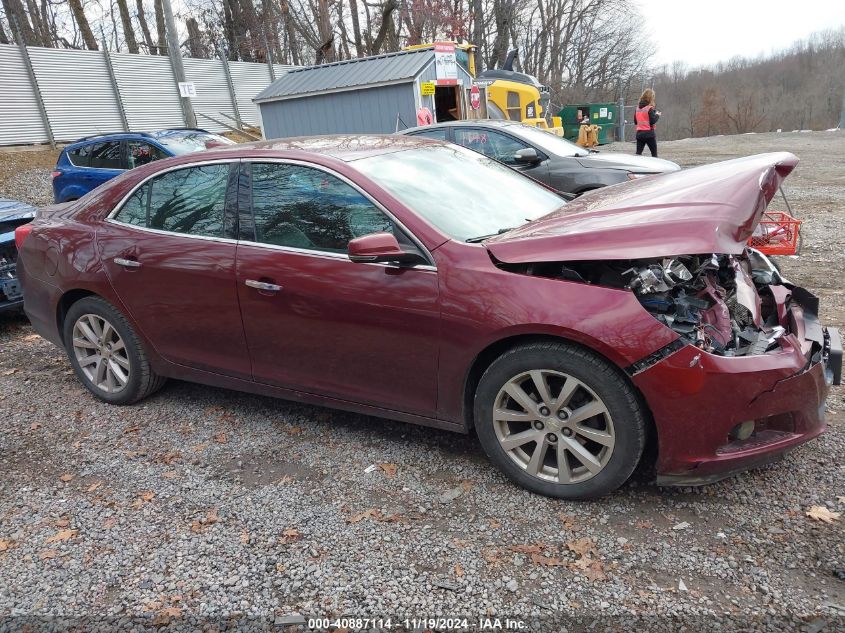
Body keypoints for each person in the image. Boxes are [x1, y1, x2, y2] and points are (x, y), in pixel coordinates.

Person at [634, 88, 661, 157]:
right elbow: (652, 121)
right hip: (649, 134)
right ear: (651, 98)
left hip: (639, 134)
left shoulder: (637, 108)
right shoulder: (649, 108)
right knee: (654, 155)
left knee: (638, 154)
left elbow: (636, 122)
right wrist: (657, 115)